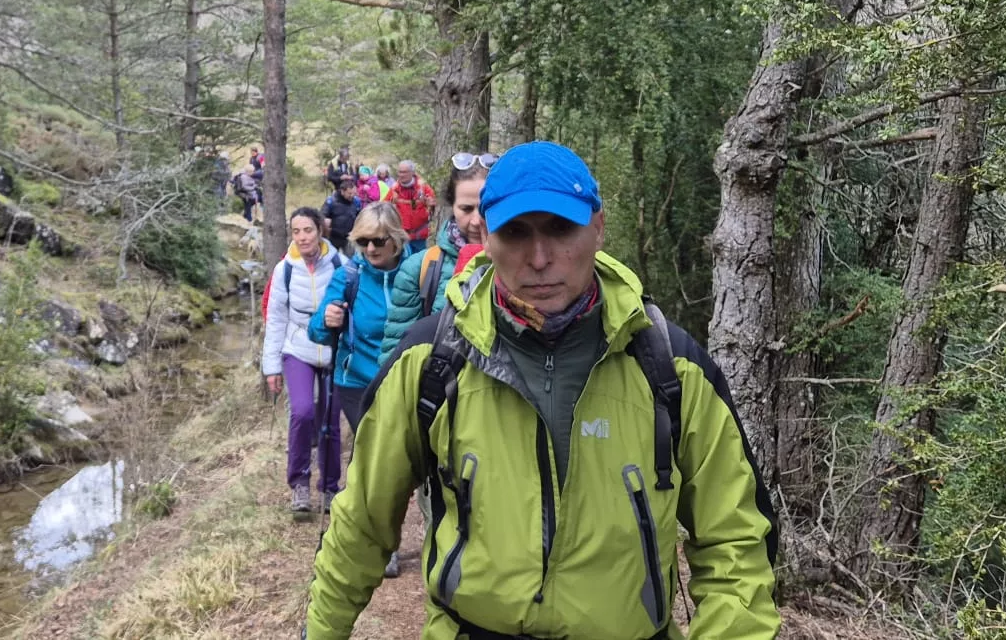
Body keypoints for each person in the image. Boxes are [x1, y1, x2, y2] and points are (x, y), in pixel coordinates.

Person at [305, 141, 780, 640]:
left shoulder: (668, 364)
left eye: (560, 228)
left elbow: (736, 544)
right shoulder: (432, 360)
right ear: (485, 235)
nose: (539, 258)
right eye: (515, 232)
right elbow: (360, 522)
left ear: (597, 227)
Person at [261, 207, 347, 520]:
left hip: (334, 350)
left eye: (307, 230)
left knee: (330, 422)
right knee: (302, 411)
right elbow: (276, 319)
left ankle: (329, 486)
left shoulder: (340, 264)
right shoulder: (284, 269)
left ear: (319, 231)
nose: (302, 237)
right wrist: (271, 367)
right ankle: (299, 482)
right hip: (297, 348)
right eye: (296, 232)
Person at [309, 203, 407, 443]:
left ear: (396, 238)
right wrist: (326, 320)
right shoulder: (348, 277)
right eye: (363, 242)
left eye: (378, 241)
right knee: (375, 451)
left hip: (405, 382)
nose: (370, 249)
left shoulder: (416, 272)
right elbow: (315, 332)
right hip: (358, 383)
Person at [384, 152, 494, 362]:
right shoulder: (420, 268)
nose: (476, 221)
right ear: (452, 206)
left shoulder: (523, 264)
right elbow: (395, 357)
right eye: (466, 209)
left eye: (485, 208)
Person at [388, 159, 435, 255]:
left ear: (412, 173)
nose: (401, 175)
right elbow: (384, 207)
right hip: (401, 237)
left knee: (419, 264)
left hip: (419, 236)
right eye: (400, 172)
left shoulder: (423, 187)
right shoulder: (394, 189)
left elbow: (433, 203)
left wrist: (431, 203)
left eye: (404, 172)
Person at [320, 177, 363, 255]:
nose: (352, 195)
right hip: (334, 237)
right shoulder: (331, 201)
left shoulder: (357, 201)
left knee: (350, 260)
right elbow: (322, 215)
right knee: (332, 258)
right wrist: (326, 223)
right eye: (350, 193)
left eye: (354, 193)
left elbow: (360, 217)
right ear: (342, 192)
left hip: (349, 237)